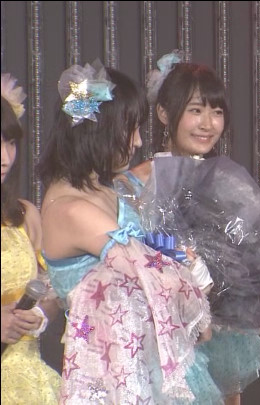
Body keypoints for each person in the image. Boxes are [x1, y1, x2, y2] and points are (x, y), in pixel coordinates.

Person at [124, 51, 260, 405]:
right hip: (158, 341)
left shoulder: (225, 183)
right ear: (164, 114)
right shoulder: (133, 185)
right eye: (196, 110)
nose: (207, 123)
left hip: (218, 336)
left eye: (217, 111)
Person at [38, 60, 216, 403]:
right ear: (100, 130)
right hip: (111, 375)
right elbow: (149, 271)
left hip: (139, 360)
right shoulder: (70, 209)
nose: (137, 142)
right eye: (130, 129)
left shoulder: (103, 190)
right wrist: (189, 277)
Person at [1, 74, 61, 404]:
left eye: (10, 143)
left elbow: (50, 289)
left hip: (29, 382)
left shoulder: (25, 215)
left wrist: (40, 315)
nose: (5, 158)